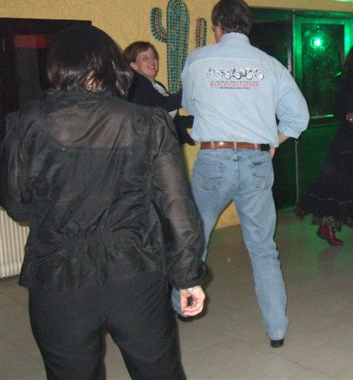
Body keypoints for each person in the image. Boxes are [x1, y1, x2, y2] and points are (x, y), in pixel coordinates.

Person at [0, 24, 206, 379]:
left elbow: (16, 204)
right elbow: (177, 207)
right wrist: (187, 278)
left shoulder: (25, 122)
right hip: (134, 274)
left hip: (58, 277)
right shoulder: (147, 121)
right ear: (112, 65)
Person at [179, 0, 309, 348]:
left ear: (218, 27)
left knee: (193, 238)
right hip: (255, 162)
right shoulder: (270, 65)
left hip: (214, 159)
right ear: (247, 27)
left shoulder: (198, 59)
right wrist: (272, 141)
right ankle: (277, 330)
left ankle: (182, 306)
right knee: (263, 248)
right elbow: (299, 117)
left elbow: (189, 105)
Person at [295, 44, 353, 249]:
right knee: (349, 183)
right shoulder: (348, 81)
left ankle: (330, 227)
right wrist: (349, 115)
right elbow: (336, 107)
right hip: (350, 140)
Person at [123, 41, 195, 145]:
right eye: (145, 58)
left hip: (161, 146)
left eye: (154, 57)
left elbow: (170, 119)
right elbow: (164, 106)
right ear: (133, 65)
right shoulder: (137, 85)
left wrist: (201, 120)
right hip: (146, 147)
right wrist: (194, 86)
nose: (152, 61)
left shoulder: (157, 86)